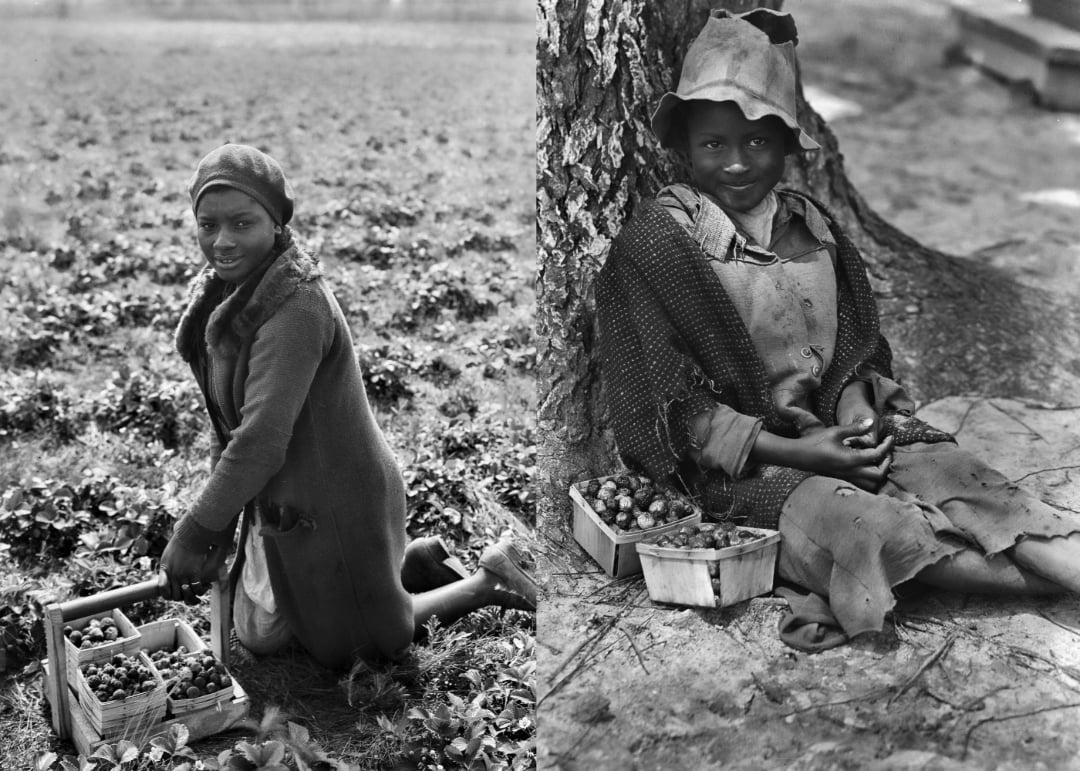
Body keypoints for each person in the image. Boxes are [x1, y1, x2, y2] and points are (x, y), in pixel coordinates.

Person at [596, 9, 1080, 650]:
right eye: (714, 144)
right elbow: (674, 412)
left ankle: (1066, 569)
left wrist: (855, 412)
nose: (737, 163)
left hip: (836, 430)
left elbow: (854, 353)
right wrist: (804, 453)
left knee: (962, 479)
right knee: (867, 529)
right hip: (743, 472)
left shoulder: (812, 227)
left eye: (759, 142)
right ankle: (1022, 578)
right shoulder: (658, 248)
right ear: (683, 145)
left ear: (789, 145)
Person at [160, 143, 536, 669]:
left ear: (275, 224)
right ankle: (406, 563)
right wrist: (219, 521)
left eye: (241, 223)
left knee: (346, 643)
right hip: (291, 492)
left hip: (336, 498)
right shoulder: (233, 291)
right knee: (257, 629)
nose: (221, 241)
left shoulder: (295, 307)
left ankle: (487, 580)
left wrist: (196, 529)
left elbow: (260, 440)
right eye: (207, 225)